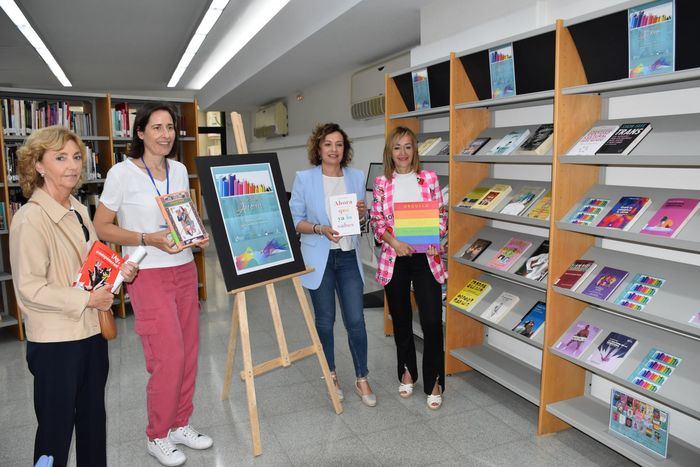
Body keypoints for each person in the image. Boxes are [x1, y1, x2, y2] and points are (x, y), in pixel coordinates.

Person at [9, 126, 137, 467]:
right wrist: (85, 300)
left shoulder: (80, 210)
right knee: (55, 431)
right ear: (38, 164)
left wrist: (117, 274)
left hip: (91, 334)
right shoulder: (29, 220)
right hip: (55, 344)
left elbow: (92, 266)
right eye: (60, 157)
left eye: (77, 157)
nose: (72, 165)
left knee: (94, 423)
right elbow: (29, 289)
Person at [93, 103, 210, 467]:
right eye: (156, 127)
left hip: (184, 268)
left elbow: (182, 216)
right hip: (147, 273)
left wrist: (197, 235)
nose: (165, 134)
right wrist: (146, 238)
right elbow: (102, 227)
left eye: (170, 127)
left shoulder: (178, 170)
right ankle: (157, 435)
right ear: (140, 133)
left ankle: (180, 424)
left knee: (189, 352)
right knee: (168, 356)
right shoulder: (121, 173)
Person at [289, 122, 376, 407]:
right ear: (318, 148)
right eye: (328, 144)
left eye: (339, 144)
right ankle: (332, 375)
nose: (334, 149)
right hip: (319, 258)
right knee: (325, 322)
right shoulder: (304, 178)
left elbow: (359, 223)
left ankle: (361, 376)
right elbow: (295, 221)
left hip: (349, 257)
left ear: (345, 149)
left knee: (356, 322)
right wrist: (319, 228)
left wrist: (362, 215)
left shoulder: (356, 176)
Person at [370, 126, 447, 410]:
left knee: (430, 321)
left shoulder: (428, 179)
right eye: (397, 147)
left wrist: (433, 238)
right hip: (395, 257)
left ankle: (434, 380)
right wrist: (394, 241)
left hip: (426, 257)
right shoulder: (381, 183)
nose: (403, 153)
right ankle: (407, 371)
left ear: (415, 150)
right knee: (401, 319)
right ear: (390, 152)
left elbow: (440, 215)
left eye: (408, 147)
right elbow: (378, 222)